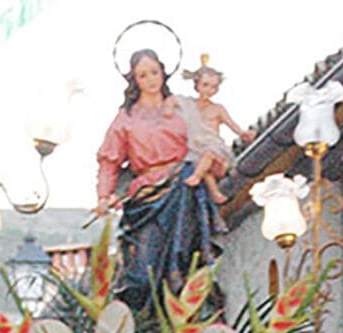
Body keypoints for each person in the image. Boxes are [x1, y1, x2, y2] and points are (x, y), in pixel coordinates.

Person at [95, 48, 220, 310]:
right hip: (145, 198)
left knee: (184, 265)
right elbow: (109, 160)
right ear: (134, 80)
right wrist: (104, 196)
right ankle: (140, 330)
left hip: (183, 189)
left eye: (154, 72)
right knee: (141, 275)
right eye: (143, 75)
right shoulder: (126, 118)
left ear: (163, 72)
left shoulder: (183, 108)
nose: (151, 79)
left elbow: (206, 141)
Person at [173, 58, 254, 205]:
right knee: (203, 167)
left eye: (214, 87)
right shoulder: (188, 105)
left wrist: (243, 134)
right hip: (195, 149)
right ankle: (215, 193)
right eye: (205, 85)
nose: (210, 90)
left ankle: (197, 177)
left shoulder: (218, 109)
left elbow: (233, 125)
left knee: (208, 155)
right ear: (197, 85)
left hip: (214, 149)